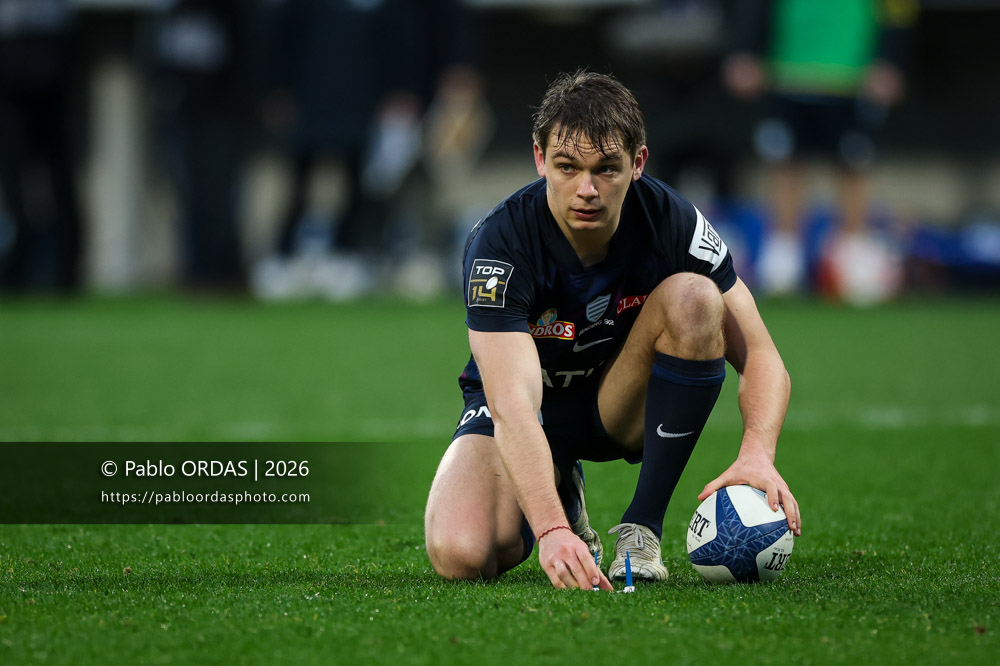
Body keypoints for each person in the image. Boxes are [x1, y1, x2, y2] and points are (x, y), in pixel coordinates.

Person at [424, 71, 800, 590]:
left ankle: (641, 529)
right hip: (528, 411)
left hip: (618, 403)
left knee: (695, 297)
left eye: (606, 169)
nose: (587, 190)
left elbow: (761, 356)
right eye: (567, 167)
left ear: (637, 163)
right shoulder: (500, 244)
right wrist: (552, 529)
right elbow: (512, 403)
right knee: (462, 552)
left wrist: (757, 452)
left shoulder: (673, 222)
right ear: (539, 159)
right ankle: (561, 489)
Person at [722, 0, 917, 299]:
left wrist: (891, 59)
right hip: (787, 72)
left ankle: (853, 254)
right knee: (784, 160)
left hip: (853, 75)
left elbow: (899, 8)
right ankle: (784, 257)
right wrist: (746, 50)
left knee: (854, 163)